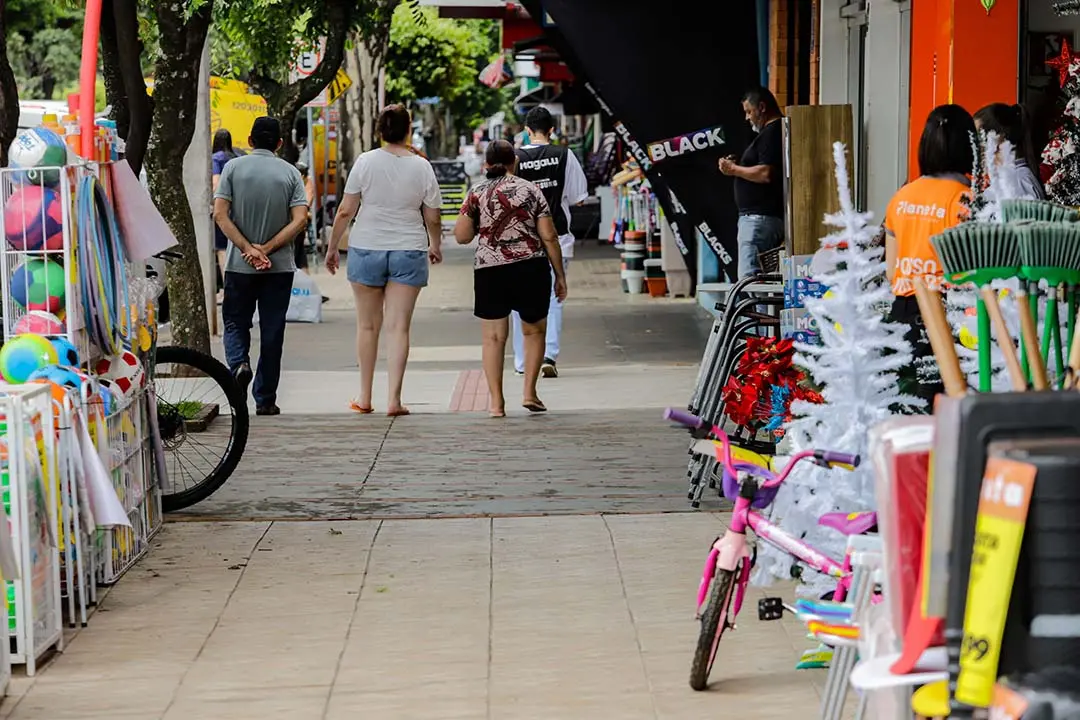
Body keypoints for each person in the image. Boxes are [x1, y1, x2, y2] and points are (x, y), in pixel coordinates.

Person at [325, 104, 443, 418]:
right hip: (409, 249)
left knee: (367, 326)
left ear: (380, 132)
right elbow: (432, 215)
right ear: (409, 130)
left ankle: (364, 397)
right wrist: (436, 244)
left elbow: (345, 211)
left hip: (366, 248)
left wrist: (333, 247)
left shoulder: (365, 162)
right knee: (398, 328)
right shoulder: (422, 167)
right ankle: (394, 400)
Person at [454, 140, 568, 418]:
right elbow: (549, 236)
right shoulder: (531, 190)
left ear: (487, 164)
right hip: (530, 267)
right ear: (514, 161)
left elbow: (462, 236)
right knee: (534, 330)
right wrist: (559, 275)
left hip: (490, 270)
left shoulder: (476, 191)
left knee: (493, 338)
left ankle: (496, 404)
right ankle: (529, 392)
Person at [213, 117, 309, 417]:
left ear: (250, 140)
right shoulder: (291, 173)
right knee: (272, 331)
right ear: (280, 143)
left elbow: (220, 215)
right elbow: (300, 219)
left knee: (235, 322)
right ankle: (265, 399)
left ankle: (239, 364)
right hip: (278, 268)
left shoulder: (232, 168)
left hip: (238, 267)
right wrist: (267, 249)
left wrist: (247, 248)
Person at [883, 104, 974, 403]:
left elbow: (891, 270)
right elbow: (969, 272)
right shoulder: (966, 201)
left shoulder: (901, 197)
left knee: (909, 405)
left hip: (903, 312)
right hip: (949, 318)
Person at [509, 106, 589, 379]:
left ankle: (522, 361)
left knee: (520, 300)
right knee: (555, 297)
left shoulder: (516, 158)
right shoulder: (565, 155)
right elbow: (579, 197)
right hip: (559, 237)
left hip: (523, 240)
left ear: (527, 130)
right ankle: (548, 355)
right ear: (552, 130)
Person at [720, 86, 786, 279]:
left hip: (758, 221)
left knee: (749, 280)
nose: (747, 118)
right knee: (759, 281)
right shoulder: (769, 133)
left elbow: (766, 173)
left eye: (749, 111)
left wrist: (733, 169)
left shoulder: (772, 133)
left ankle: (754, 310)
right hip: (760, 220)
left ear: (762, 107)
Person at [974, 103, 1045, 200]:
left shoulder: (1017, 182)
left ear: (998, 138)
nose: (976, 147)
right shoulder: (1011, 179)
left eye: (979, 138)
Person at [212, 129, 241, 300]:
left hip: (223, 207)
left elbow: (216, 183)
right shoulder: (237, 158)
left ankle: (227, 288)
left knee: (222, 250)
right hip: (238, 207)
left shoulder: (216, 159)